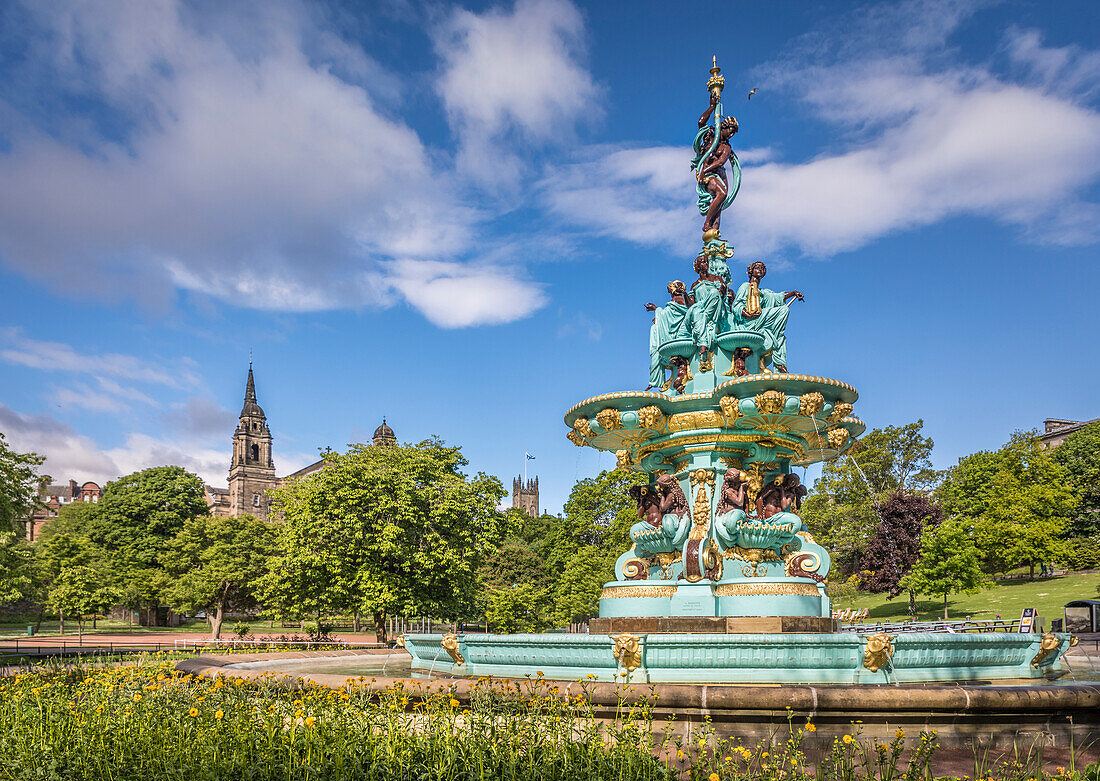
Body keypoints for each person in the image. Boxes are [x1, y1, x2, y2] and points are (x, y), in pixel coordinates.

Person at [729, 261, 803, 372]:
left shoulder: (764, 293)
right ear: (751, 271)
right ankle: (776, 340)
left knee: (781, 337)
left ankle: (779, 364)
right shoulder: (745, 286)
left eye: (763, 268)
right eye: (757, 268)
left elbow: (778, 297)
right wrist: (747, 314)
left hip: (759, 319)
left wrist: (793, 293)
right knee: (783, 311)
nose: (760, 270)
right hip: (748, 322)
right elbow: (736, 306)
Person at [645, 281, 693, 390]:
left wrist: (657, 310)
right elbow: (668, 315)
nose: (671, 293)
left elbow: (690, 309)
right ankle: (654, 379)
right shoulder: (674, 301)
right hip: (671, 332)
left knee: (655, 329)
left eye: (670, 290)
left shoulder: (680, 299)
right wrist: (656, 310)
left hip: (677, 333)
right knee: (654, 329)